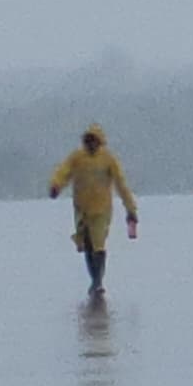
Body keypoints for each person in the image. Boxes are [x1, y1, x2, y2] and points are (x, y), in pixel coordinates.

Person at [49, 124, 139, 296]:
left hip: (101, 209)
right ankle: (94, 279)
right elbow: (63, 172)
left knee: (98, 245)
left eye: (94, 141)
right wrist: (56, 186)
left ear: (100, 142)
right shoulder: (77, 158)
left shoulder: (108, 160)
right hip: (82, 208)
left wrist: (130, 209)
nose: (91, 145)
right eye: (88, 141)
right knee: (87, 244)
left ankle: (98, 281)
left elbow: (121, 185)